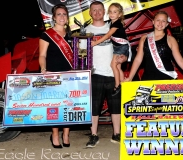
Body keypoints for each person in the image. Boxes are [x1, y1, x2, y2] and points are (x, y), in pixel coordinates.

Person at [79, 1, 127, 148]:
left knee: (116, 106)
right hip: (95, 74)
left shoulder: (112, 26)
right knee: (94, 107)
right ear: (90, 13)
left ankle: (116, 134)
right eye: (94, 10)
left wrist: (123, 59)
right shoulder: (84, 31)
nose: (97, 12)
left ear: (104, 11)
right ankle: (94, 135)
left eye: (100, 10)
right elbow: (82, 54)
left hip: (113, 74)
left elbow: (125, 46)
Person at [124, 10, 183, 82]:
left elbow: (180, 60)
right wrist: (130, 77)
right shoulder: (144, 38)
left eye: (163, 21)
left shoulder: (171, 40)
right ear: (153, 21)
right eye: (158, 20)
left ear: (167, 24)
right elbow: (138, 59)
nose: (160, 23)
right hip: (148, 79)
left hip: (166, 79)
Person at [39, 4, 73, 149]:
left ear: (67, 17)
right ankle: (54, 134)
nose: (62, 17)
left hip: (70, 76)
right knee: (54, 107)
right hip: (53, 75)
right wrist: (43, 68)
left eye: (64, 14)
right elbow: (42, 55)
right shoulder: (47, 35)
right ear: (53, 17)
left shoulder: (72, 35)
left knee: (69, 106)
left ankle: (66, 134)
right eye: (59, 14)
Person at [91, 2, 130, 96]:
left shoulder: (116, 24)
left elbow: (108, 35)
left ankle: (117, 86)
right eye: (110, 12)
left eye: (115, 12)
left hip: (120, 47)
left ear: (120, 14)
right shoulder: (112, 23)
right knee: (117, 67)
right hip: (119, 47)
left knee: (113, 65)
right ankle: (123, 83)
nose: (112, 14)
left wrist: (95, 43)